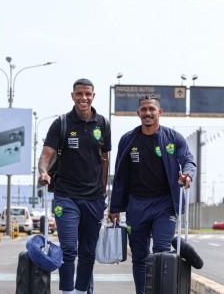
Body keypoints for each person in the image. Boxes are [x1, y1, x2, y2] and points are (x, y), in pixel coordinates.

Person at [109, 94, 196, 294]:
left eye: (152, 109)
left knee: (161, 252)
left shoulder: (173, 138)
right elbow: (119, 174)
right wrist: (114, 208)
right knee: (139, 256)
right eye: (144, 110)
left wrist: (188, 175)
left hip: (164, 204)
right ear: (138, 113)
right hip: (136, 206)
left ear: (160, 112)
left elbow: (188, 160)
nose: (148, 113)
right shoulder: (128, 139)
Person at [38, 78, 111, 294]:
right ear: (72, 96)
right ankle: (67, 291)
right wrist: (43, 171)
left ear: (93, 96)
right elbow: (47, 154)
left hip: (94, 199)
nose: (83, 98)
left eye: (87, 94)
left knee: (88, 252)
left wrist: (103, 191)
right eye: (79, 94)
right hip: (65, 196)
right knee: (69, 249)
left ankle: (80, 291)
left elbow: (105, 159)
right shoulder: (61, 123)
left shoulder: (103, 124)